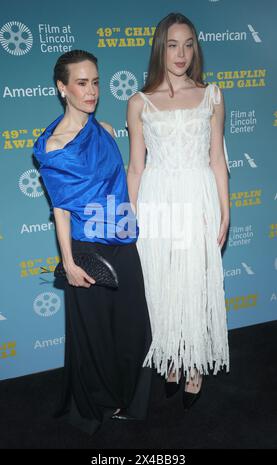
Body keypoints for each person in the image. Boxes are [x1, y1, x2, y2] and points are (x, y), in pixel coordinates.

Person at [33, 50, 152, 435]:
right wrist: (68, 263)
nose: (91, 90)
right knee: (96, 335)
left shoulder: (104, 129)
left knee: (136, 329)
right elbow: (62, 211)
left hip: (123, 241)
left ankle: (131, 400)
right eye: (81, 83)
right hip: (88, 250)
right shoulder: (54, 147)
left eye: (95, 82)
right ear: (62, 88)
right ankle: (101, 402)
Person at [127, 13, 230, 410]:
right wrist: (127, 218)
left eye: (188, 44)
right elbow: (136, 166)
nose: (181, 53)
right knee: (162, 282)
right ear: (160, 48)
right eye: (173, 44)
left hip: (197, 195)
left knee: (195, 280)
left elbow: (217, 160)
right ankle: (170, 357)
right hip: (156, 200)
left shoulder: (212, 96)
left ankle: (195, 366)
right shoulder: (138, 102)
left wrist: (224, 209)